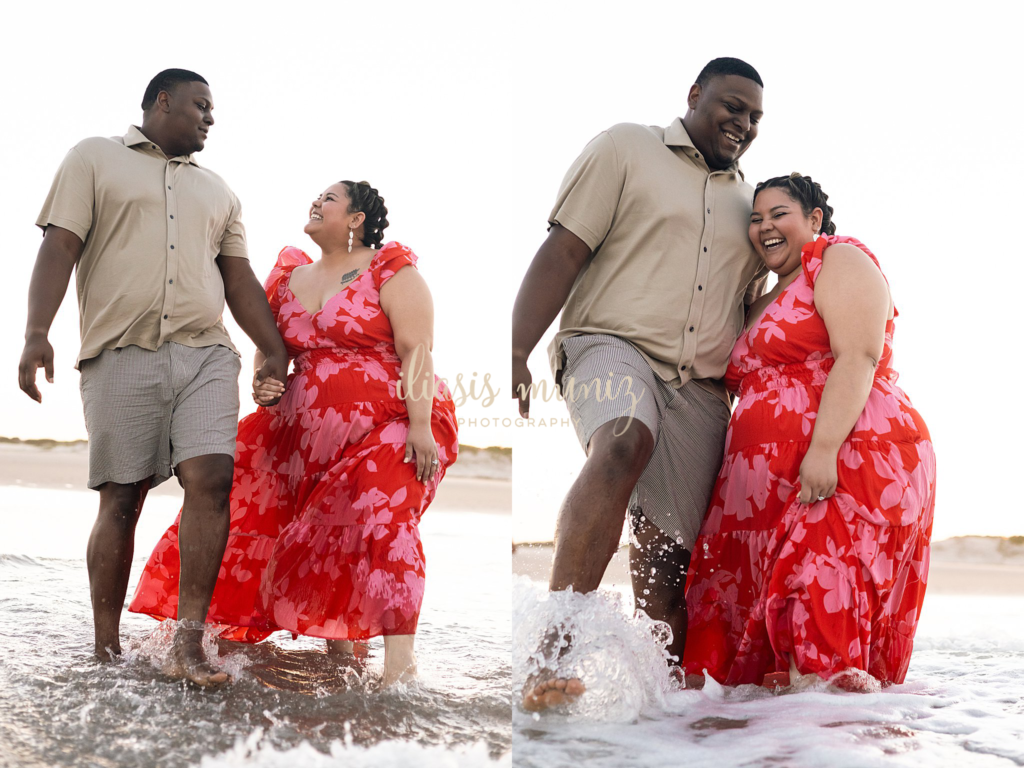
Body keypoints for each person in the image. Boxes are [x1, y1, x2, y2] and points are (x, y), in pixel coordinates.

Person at [511, 57, 768, 710]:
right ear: (695, 95)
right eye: (732, 106)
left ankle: (655, 717)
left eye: (756, 117)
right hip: (608, 345)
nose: (743, 123)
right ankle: (550, 654)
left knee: (666, 564)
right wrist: (519, 346)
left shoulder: (753, 203)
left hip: (700, 391)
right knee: (623, 442)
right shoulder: (626, 146)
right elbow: (565, 249)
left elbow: (749, 316)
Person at [17, 69, 288, 686]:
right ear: (162, 101)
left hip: (205, 353)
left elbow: (239, 279)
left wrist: (271, 348)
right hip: (119, 354)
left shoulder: (219, 192)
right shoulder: (94, 158)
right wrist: (37, 332)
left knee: (213, 477)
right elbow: (59, 247)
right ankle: (106, 648)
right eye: (201, 106)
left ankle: (187, 646)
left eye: (213, 110)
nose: (210, 118)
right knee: (122, 499)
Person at [129, 180, 459, 687]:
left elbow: (417, 351)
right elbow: (269, 347)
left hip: (387, 425)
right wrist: (265, 380)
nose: (317, 201)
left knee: (381, 522)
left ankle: (399, 668)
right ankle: (334, 657)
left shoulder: (390, 269)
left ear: (355, 219)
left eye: (330, 198)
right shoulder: (287, 274)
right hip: (296, 435)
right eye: (317, 196)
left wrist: (418, 426)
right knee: (297, 528)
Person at [682, 174, 936, 688]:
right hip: (765, 485)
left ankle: (825, 745)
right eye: (755, 219)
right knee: (759, 645)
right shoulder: (762, 296)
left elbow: (859, 355)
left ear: (814, 218)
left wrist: (823, 451)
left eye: (779, 214)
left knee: (816, 608)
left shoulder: (835, 258)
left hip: (851, 454)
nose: (764, 226)